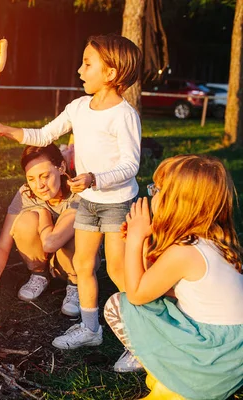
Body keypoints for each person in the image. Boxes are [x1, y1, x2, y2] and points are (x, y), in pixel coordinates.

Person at [0, 34, 142, 368]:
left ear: (111, 73)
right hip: (87, 201)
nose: (80, 69)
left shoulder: (124, 115)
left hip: (115, 202)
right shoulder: (79, 108)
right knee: (83, 265)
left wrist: (95, 178)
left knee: (116, 269)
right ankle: (90, 326)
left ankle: (140, 341)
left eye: (87, 63)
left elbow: (131, 164)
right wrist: (5, 130)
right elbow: (43, 136)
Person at [104, 155, 243, 399]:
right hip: (228, 358)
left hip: (210, 363)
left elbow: (136, 294)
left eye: (156, 189)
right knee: (157, 301)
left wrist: (136, 240)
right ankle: (172, 374)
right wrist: (143, 240)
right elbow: (151, 284)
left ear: (179, 202)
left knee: (118, 305)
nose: (152, 195)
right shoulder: (211, 242)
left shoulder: (185, 252)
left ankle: (173, 380)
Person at [0, 145, 81, 317]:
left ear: (61, 168)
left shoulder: (77, 194)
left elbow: (51, 242)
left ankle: (76, 284)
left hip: (76, 259)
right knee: (24, 221)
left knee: (73, 230)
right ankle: (39, 273)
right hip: (45, 254)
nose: (39, 185)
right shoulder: (26, 193)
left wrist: (43, 213)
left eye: (45, 176)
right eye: (31, 179)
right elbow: (3, 243)